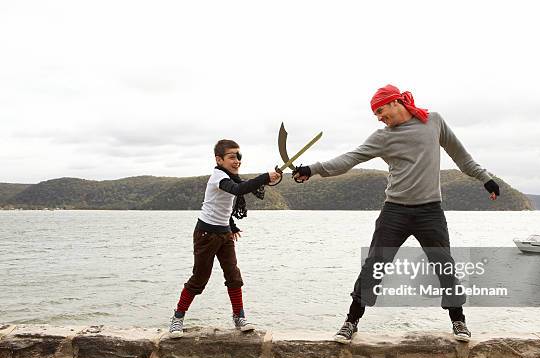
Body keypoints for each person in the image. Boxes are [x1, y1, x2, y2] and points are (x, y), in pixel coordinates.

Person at [293, 84, 500, 343]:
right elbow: (350, 158)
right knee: (374, 266)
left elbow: (461, 156)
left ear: (395, 103)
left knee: (444, 265)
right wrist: (312, 169)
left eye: (381, 111)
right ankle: (351, 322)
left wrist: (486, 178)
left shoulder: (433, 121)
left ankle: (458, 321)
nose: (380, 117)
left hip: (430, 211)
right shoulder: (383, 137)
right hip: (394, 211)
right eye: (376, 114)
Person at [168, 139, 281, 338]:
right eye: (232, 157)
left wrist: (231, 225)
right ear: (219, 160)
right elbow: (237, 190)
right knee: (199, 278)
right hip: (205, 234)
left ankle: (239, 316)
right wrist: (265, 177)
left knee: (233, 275)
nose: (237, 160)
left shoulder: (232, 176)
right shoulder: (218, 177)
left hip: (224, 233)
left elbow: (238, 193)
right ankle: (177, 318)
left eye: (239, 156)